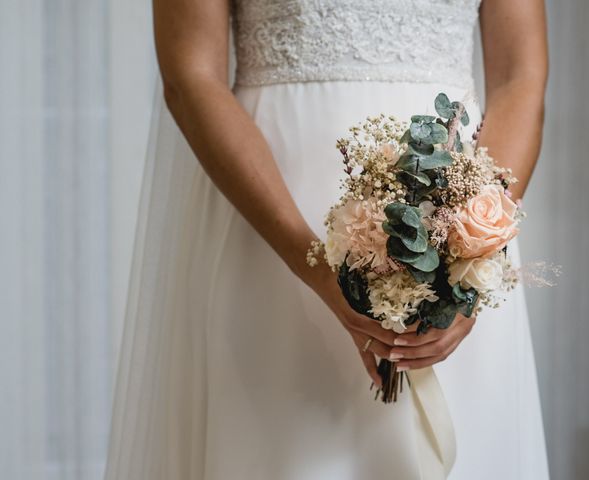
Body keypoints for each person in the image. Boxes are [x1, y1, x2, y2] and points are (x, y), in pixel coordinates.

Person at [104, 0, 549, 478]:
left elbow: (520, 77)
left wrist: (470, 252)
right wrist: (314, 266)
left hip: (456, 228)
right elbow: (190, 75)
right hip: (273, 228)